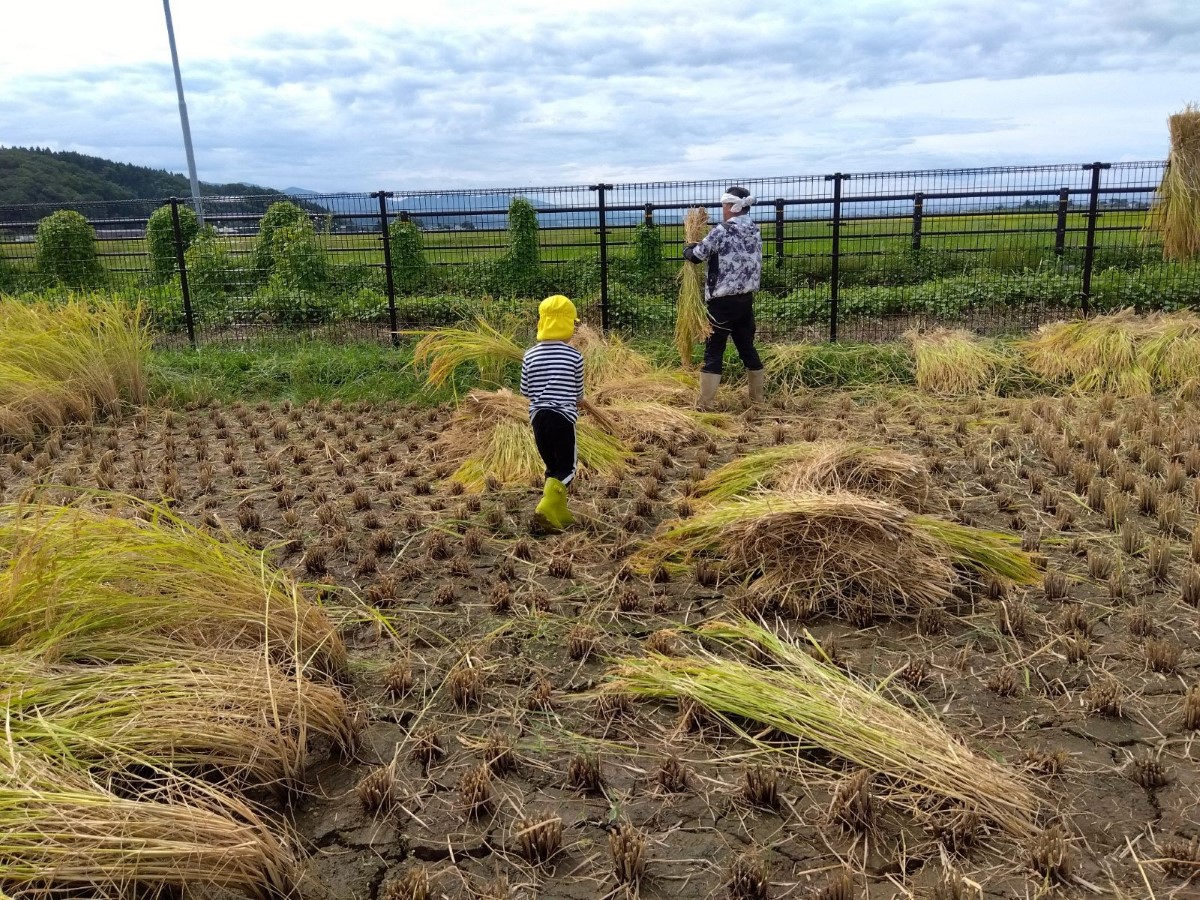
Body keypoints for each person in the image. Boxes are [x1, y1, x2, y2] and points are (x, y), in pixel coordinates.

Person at [682, 185, 765, 409]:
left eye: (724, 205)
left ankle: (705, 404)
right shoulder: (755, 229)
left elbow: (697, 256)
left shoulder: (723, 230)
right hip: (745, 299)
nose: (722, 209)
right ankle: (757, 399)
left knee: (714, 349)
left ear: (731, 206)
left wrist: (687, 249)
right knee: (746, 346)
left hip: (722, 301)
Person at [520, 294, 585, 532]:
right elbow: (578, 395)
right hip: (563, 418)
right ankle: (547, 505)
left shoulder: (529, 355)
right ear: (567, 326)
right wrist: (578, 400)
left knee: (552, 466)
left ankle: (560, 512)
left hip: (538, 418)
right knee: (568, 467)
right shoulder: (574, 356)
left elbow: (525, 391)